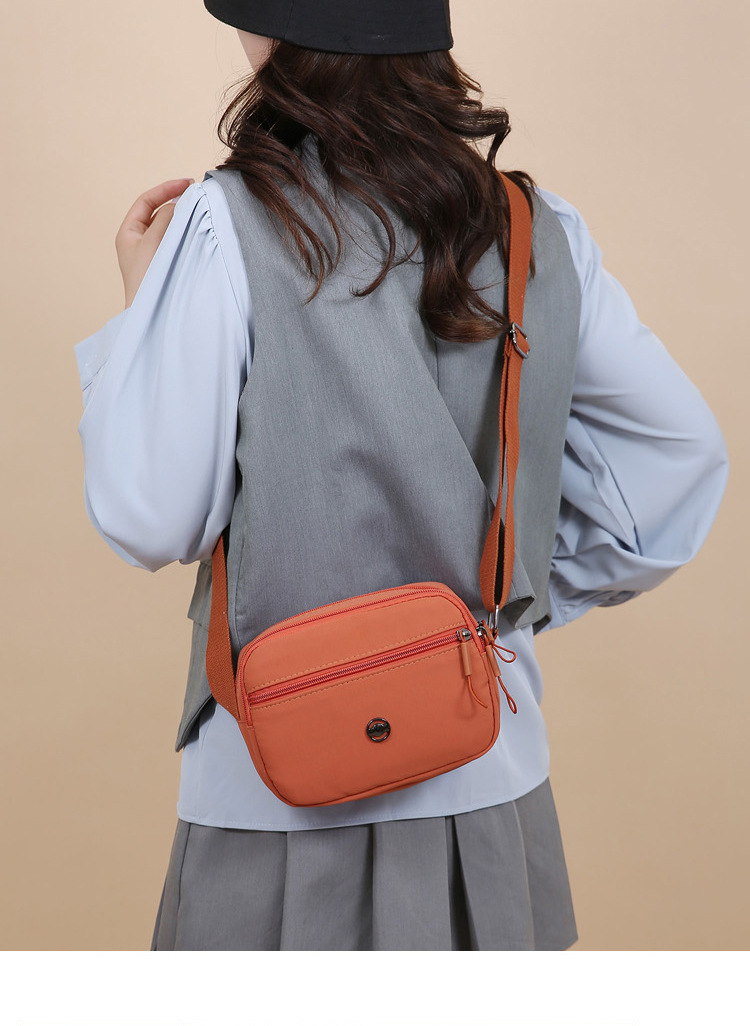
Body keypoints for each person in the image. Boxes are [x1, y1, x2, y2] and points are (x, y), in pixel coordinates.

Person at [74, 0, 729, 951]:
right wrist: (490, 612)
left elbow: (149, 516)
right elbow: (677, 463)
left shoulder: (224, 226)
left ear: (277, 35)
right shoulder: (533, 228)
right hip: (486, 767)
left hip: (271, 781)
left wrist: (144, 311)